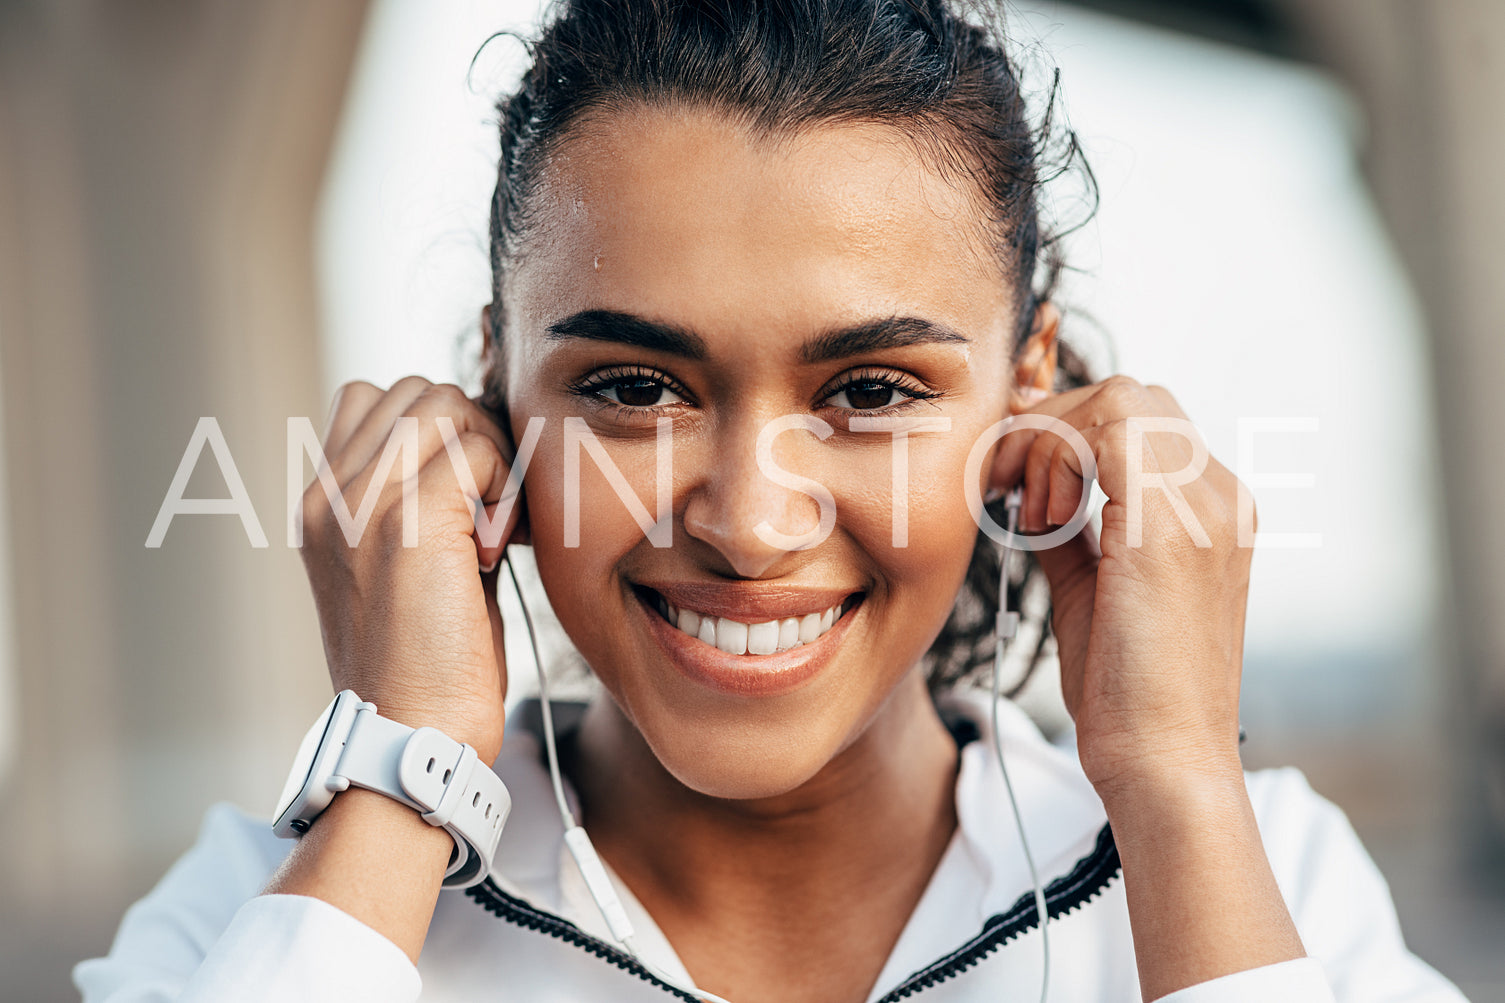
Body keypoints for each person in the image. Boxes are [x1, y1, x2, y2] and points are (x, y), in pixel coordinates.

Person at [76, 1, 1469, 1001]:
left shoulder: (1256, 871)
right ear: (492, 393)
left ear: (1026, 392)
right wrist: (402, 778)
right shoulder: (272, 910)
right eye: (632, 385)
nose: (747, 522)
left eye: (869, 390)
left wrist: (1172, 795)